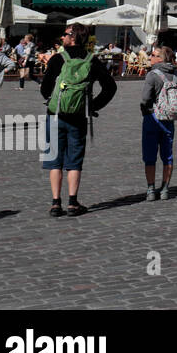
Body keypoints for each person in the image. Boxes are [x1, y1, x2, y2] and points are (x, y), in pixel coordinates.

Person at [40, 24, 117, 217]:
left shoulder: (58, 59)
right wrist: (93, 106)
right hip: (79, 117)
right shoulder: (92, 60)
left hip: (55, 115)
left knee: (54, 160)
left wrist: (56, 97)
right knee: (74, 160)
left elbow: (44, 89)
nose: (62, 38)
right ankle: (73, 203)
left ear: (72, 37)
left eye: (65, 35)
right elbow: (110, 87)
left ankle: (56, 203)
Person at [139, 46, 177, 201]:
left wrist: (145, 110)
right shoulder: (176, 73)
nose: (150, 58)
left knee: (150, 155)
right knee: (167, 155)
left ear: (160, 58)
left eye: (153, 55)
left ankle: (150, 189)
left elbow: (145, 98)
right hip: (169, 119)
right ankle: (165, 189)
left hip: (153, 118)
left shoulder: (152, 75)